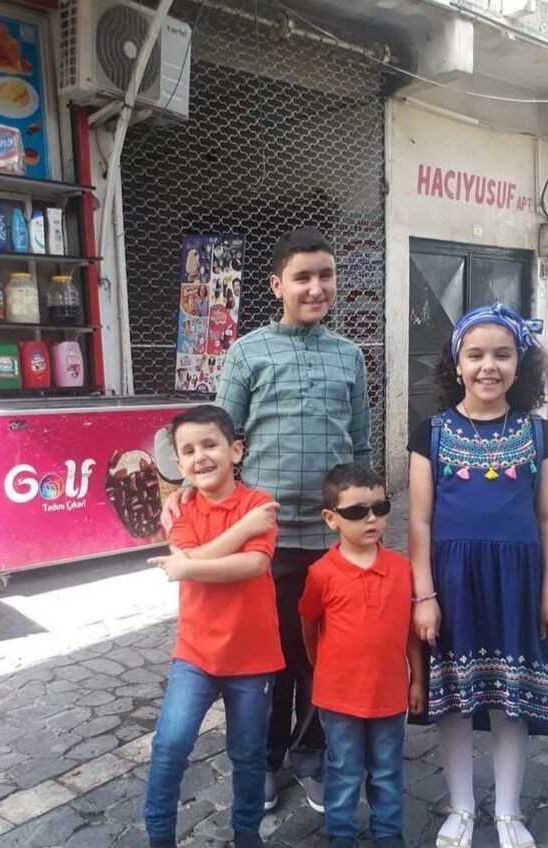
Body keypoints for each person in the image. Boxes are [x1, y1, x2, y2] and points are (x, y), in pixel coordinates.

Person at [162, 227, 372, 813]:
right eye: (302, 277)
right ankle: (266, 761)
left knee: (326, 656)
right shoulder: (249, 352)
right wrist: (180, 489)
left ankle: (313, 756)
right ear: (277, 285)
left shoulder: (350, 356)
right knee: (272, 658)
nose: (316, 287)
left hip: (332, 537)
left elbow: (360, 445)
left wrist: (365, 517)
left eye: (325, 276)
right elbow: (214, 434)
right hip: (266, 538)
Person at [407, 304, 548, 848]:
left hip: (518, 585)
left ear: (521, 364)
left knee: (511, 701)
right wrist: (424, 595)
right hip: (452, 584)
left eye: (502, 354)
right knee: (454, 698)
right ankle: (460, 806)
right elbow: (419, 520)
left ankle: (508, 811)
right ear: (457, 364)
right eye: (475, 355)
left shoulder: (539, 433)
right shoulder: (430, 433)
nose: (488, 366)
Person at [144, 405, 284, 848]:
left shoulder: (259, 504)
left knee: (248, 754)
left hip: (252, 657)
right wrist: (240, 531)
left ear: (235, 450)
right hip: (196, 655)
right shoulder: (181, 511)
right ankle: (159, 836)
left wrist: (189, 565)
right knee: (170, 745)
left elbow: (252, 564)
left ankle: (247, 833)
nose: (200, 456)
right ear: (179, 463)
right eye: (188, 451)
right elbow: (185, 561)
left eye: (210, 445)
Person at [299, 463, 425, 848]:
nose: (371, 518)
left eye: (380, 508)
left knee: (387, 771)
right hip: (338, 698)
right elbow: (309, 625)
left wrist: (417, 679)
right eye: (357, 511)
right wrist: (321, 668)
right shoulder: (321, 573)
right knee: (343, 770)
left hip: (389, 695)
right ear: (331, 518)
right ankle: (341, 834)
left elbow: (408, 631)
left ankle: (388, 834)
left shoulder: (401, 569)